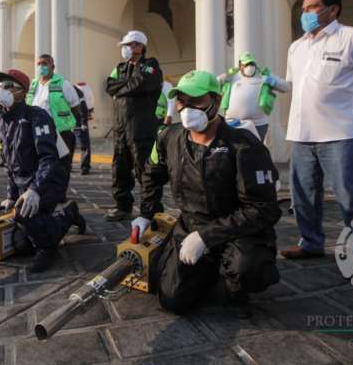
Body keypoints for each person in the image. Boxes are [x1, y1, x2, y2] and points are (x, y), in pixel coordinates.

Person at [134, 70, 281, 318]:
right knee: (172, 299)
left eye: (197, 101)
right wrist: (146, 214)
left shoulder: (243, 145)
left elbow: (263, 208)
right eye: (182, 101)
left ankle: (229, 279)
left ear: (217, 99)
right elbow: (151, 174)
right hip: (191, 226)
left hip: (238, 231)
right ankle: (204, 267)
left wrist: (206, 236)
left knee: (248, 271)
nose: (187, 108)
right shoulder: (168, 138)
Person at [280, 0, 353, 260]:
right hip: (302, 135)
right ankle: (310, 242)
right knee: (302, 195)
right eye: (303, 9)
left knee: (352, 197)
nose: (306, 14)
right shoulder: (297, 47)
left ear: (333, 9)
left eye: (312, 7)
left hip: (342, 134)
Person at [0, 68, 86, 273]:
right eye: (0, 87)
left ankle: (49, 245)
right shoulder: (1, 121)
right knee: (17, 219)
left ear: (22, 92)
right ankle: (61, 217)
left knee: (26, 216)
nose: (1, 91)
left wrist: (35, 189)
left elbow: (49, 159)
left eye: (8, 87)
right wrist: (11, 195)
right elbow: (8, 162)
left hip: (50, 179)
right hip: (24, 181)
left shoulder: (37, 117)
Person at [104, 30, 162, 221]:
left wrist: (121, 88)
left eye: (130, 45)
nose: (126, 49)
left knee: (144, 169)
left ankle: (151, 208)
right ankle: (122, 206)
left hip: (141, 127)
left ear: (140, 46)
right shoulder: (120, 67)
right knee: (119, 168)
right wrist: (126, 85)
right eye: (125, 46)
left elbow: (142, 84)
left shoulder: (150, 65)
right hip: (120, 127)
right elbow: (108, 85)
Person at [27, 55, 82, 192]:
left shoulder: (63, 83)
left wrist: (68, 125)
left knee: (62, 165)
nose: (41, 66)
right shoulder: (33, 84)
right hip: (38, 132)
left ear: (52, 66)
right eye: (39, 63)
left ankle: (60, 193)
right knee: (40, 163)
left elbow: (75, 107)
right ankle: (42, 191)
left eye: (44, 63)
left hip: (60, 132)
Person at [218, 52, 290, 140]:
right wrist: (222, 78)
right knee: (234, 150)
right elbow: (214, 85)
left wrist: (271, 81)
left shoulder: (263, 75)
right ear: (240, 65)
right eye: (246, 64)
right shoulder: (232, 76)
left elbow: (286, 87)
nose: (250, 67)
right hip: (233, 123)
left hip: (258, 124)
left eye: (252, 63)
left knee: (255, 151)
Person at [72, 84, 92, 175]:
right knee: (83, 145)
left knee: (72, 145)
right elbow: (83, 107)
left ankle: (83, 166)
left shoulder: (72, 91)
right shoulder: (76, 91)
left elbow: (82, 107)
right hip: (76, 122)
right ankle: (84, 166)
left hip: (73, 122)